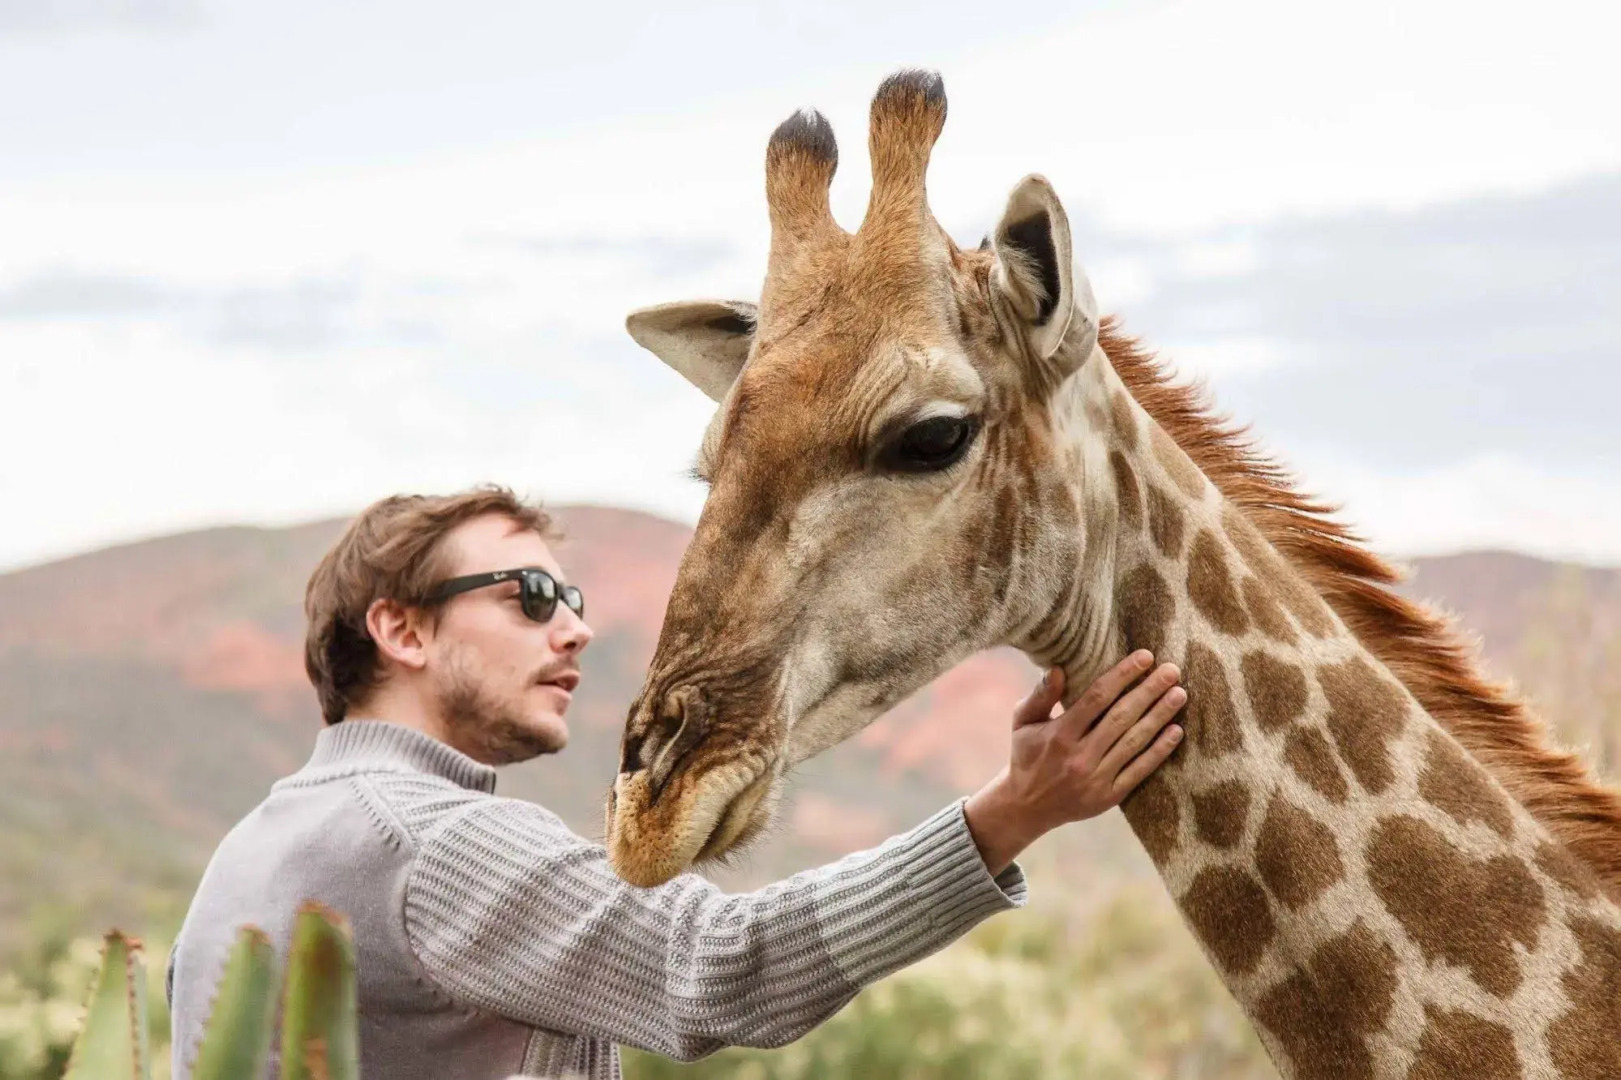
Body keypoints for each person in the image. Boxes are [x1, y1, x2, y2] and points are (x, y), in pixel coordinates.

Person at [166, 486, 1187, 1080]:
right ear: (400, 629)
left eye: (568, 597)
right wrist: (1013, 812)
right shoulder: (426, 842)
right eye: (527, 598)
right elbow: (721, 967)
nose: (574, 626)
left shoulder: (262, 841)